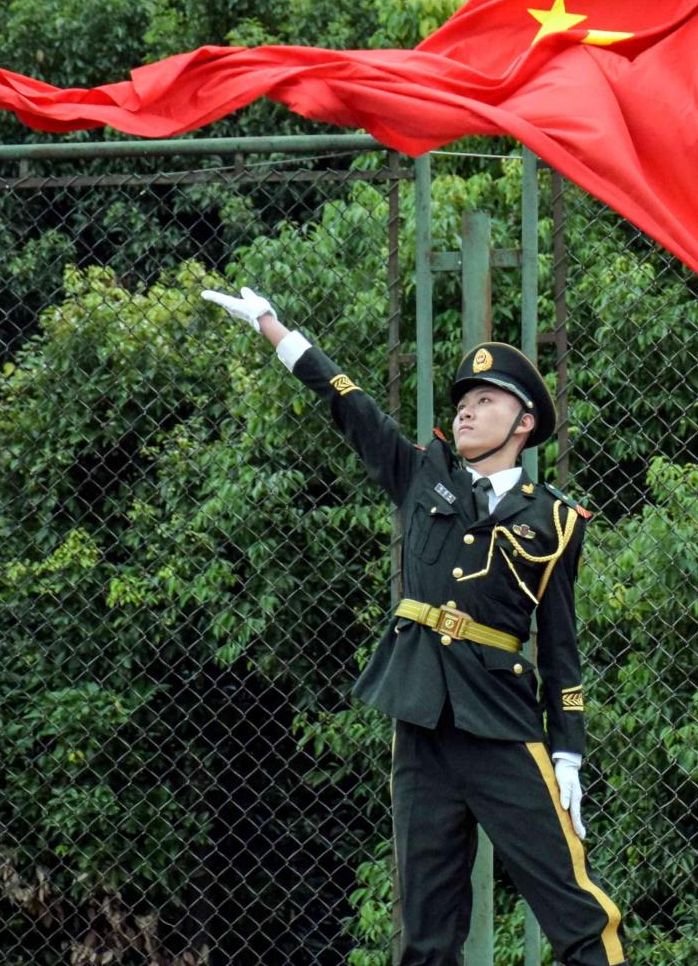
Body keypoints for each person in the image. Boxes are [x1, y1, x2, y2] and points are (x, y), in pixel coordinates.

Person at [203, 285, 623, 966]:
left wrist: (568, 752)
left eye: (485, 399)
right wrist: (276, 330)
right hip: (423, 726)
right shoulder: (425, 478)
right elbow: (351, 406)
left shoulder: (553, 519)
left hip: (503, 727)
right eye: (463, 401)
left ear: (523, 422)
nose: (466, 410)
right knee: (426, 933)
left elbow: (560, 646)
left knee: (576, 912)